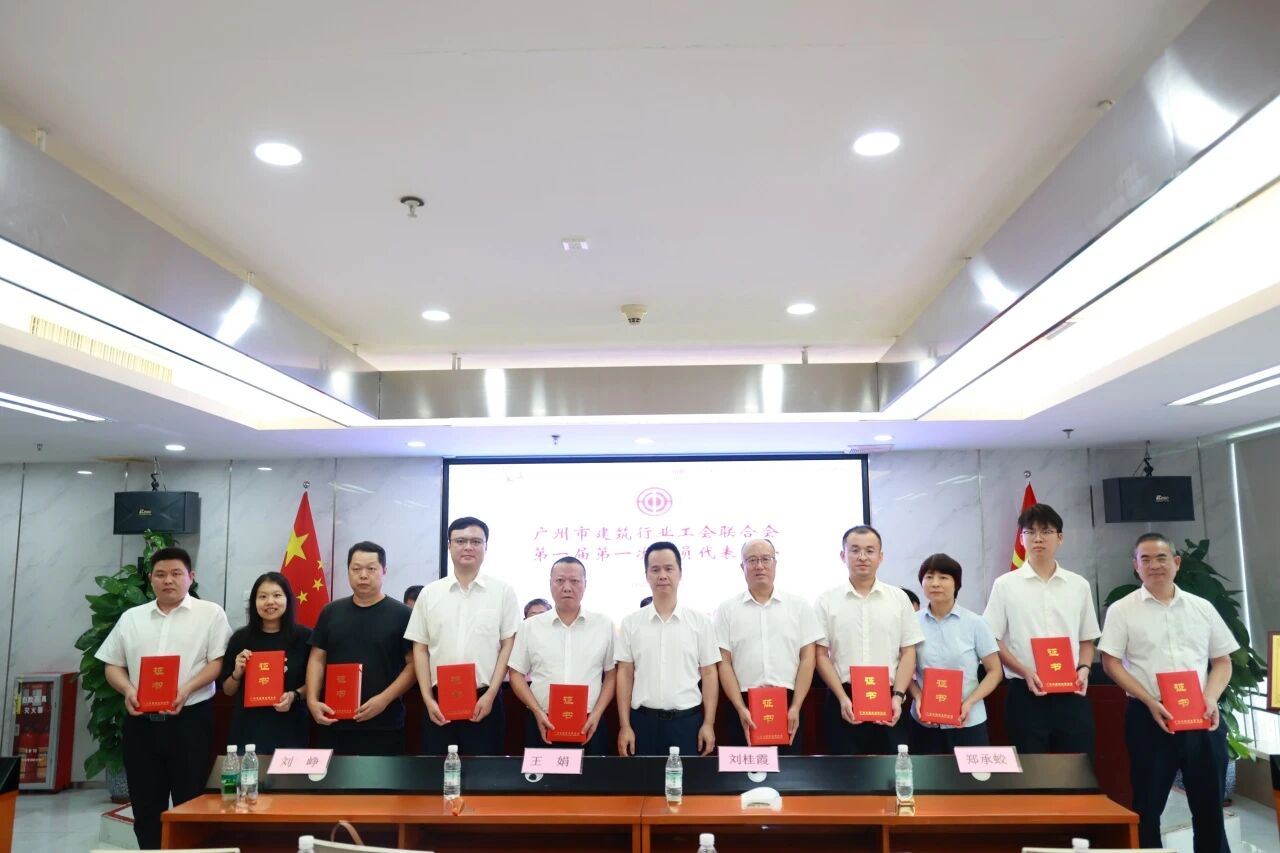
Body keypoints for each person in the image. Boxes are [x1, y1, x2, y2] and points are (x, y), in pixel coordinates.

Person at [1100, 533, 1237, 853]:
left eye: (1161, 558)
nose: (1154, 565)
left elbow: (1222, 661)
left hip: (1201, 716)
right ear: (1136, 566)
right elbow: (1110, 663)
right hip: (1149, 717)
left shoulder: (1202, 607)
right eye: (1145, 559)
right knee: (1148, 807)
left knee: (1209, 806)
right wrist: (1149, 701)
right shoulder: (1122, 610)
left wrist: (1210, 698)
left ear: (1176, 562)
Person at [95, 547, 232, 849]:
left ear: (191, 577)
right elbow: (112, 665)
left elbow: (218, 662)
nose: (168, 580)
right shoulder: (132, 618)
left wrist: (187, 688)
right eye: (160, 574)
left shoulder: (210, 613)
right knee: (145, 806)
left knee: (191, 802)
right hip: (141, 724)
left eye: (176, 573)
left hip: (190, 721)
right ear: (150, 578)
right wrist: (128, 690)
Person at [983, 503, 1100, 761]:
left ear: (1060, 538)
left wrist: (1084, 668)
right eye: (1030, 532)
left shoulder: (1078, 585)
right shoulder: (1005, 585)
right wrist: (1025, 671)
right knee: (1031, 769)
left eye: (1046, 531)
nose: (1038, 538)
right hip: (1025, 692)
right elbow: (992, 638)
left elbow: (1087, 639)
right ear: (1021, 539)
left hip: (1072, 691)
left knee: (1076, 767)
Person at [407, 516, 520, 755]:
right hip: (438, 702)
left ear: (486, 547)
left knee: (485, 771)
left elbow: (508, 644)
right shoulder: (430, 593)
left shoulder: (502, 592)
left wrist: (491, 694)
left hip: (484, 700)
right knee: (436, 770)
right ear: (449, 545)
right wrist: (427, 699)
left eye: (476, 542)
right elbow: (420, 647)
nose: (468, 547)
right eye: (460, 541)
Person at [814, 525, 923, 755]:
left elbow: (908, 652)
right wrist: (842, 697)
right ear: (843, 555)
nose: (862, 557)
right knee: (844, 771)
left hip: (890, 699)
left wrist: (898, 697)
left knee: (890, 770)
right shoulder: (826, 600)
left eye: (870, 551)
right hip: (843, 699)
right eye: (855, 550)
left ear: (880, 557)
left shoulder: (898, 598)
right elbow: (820, 654)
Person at [306, 541, 415, 755]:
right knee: (333, 777)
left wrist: (384, 699)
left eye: (371, 569)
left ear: (384, 571)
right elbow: (317, 658)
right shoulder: (330, 612)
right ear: (348, 570)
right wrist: (312, 700)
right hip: (333, 721)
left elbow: (414, 666)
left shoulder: (403, 614)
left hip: (384, 723)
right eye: (356, 569)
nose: (363, 575)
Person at [713, 539, 822, 753]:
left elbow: (808, 658)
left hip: (789, 705)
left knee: (788, 770)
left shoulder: (799, 606)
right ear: (742, 566)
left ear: (775, 563)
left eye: (765, 559)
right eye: (752, 560)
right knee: (745, 770)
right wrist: (740, 707)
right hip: (742, 704)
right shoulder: (727, 609)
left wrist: (796, 706)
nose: (759, 566)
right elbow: (723, 662)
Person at [616, 541, 720, 756]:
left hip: (687, 724)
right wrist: (625, 725)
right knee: (643, 779)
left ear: (680, 573)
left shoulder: (700, 622)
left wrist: (708, 723)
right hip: (642, 723)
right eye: (655, 570)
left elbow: (709, 674)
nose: (662, 575)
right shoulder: (631, 623)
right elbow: (625, 674)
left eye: (669, 568)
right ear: (646, 575)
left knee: (687, 778)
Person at [509, 557, 616, 754]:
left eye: (574, 581)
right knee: (543, 775)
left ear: (585, 584)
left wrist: (598, 713)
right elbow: (516, 673)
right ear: (550, 584)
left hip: (590, 723)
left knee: (592, 775)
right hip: (543, 722)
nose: (567, 587)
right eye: (560, 581)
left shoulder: (603, 625)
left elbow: (612, 674)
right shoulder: (530, 626)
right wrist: (537, 711)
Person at [908, 554, 1002, 753]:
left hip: (968, 721)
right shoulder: (911, 623)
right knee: (925, 773)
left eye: (943, 577)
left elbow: (995, 671)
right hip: (925, 722)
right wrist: (918, 697)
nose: (935, 583)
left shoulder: (976, 623)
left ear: (956, 583)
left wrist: (970, 702)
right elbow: (904, 671)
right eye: (929, 577)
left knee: (970, 773)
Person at [220, 572, 312, 754]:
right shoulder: (240, 638)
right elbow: (228, 690)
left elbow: (316, 683)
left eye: (277, 595)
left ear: (288, 599)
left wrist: (294, 695)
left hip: (290, 726)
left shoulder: (305, 637)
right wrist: (237, 674)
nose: (270, 602)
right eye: (262, 597)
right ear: (254, 602)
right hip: (248, 729)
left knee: (289, 773)